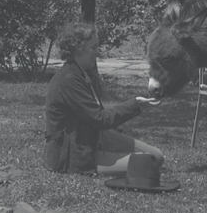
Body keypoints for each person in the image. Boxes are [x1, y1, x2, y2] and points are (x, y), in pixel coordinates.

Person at [42, 22, 163, 178]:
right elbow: (100, 119)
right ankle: (103, 158)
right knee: (152, 161)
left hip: (94, 137)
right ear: (79, 49)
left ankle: (109, 153)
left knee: (157, 155)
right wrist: (135, 105)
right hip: (74, 153)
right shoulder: (69, 79)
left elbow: (96, 114)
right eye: (93, 48)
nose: (96, 53)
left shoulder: (81, 72)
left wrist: (135, 106)